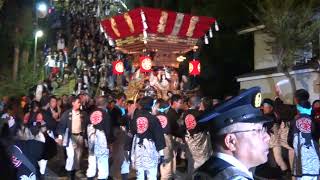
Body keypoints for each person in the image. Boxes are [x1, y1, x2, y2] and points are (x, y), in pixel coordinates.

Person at [193, 87, 271, 180]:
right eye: (258, 131)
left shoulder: (208, 170)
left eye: (264, 129)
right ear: (231, 141)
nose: (267, 137)